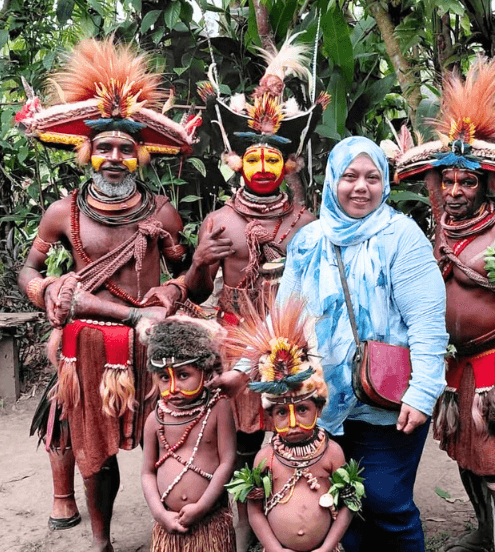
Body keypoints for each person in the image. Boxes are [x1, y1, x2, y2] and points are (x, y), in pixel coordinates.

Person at [16, 37, 198, 551]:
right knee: (94, 454)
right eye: (105, 147)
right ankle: (101, 542)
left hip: (156, 344)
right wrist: (45, 288)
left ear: (140, 155)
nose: (114, 157)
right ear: (88, 152)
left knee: (178, 438)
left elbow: (189, 271)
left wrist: (176, 276)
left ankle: (183, 532)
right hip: (90, 347)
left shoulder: (162, 212)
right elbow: (27, 269)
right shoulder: (63, 211)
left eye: (125, 147)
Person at [392, 57, 495, 552]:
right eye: (449, 182)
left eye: (468, 182)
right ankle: (484, 534)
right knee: (465, 456)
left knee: (494, 462)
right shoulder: (441, 225)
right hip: (451, 363)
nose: (457, 191)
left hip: (490, 363)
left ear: (487, 183)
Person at [271, 136, 448, 552]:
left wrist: (423, 393)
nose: (361, 187)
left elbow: (426, 321)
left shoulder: (401, 236)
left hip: (385, 399)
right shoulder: (308, 240)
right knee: (335, 502)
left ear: (384, 183)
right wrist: (255, 370)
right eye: (350, 176)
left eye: (372, 177)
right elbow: (286, 315)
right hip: (321, 400)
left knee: (387, 501)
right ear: (333, 180)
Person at [186, 36, 327, 550]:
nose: (264, 165)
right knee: (243, 445)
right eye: (254, 157)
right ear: (237, 161)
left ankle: (301, 524)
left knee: (296, 436)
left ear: (287, 164)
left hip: (295, 346)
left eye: (273, 157)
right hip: (234, 347)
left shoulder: (307, 222)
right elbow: (199, 290)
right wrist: (201, 260)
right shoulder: (219, 221)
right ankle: (246, 534)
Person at [222, 297, 361, 552]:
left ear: (318, 409)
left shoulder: (331, 454)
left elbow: (348, 504)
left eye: (302, 409)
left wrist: (328, 547)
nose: (293, 422)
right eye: (282, 413)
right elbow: (255, 512)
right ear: (270, 417)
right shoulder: (265, 459)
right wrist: (274, 549)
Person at [141, 316, 236, 552]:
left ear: (205, 372)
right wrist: (159, 514)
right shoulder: (155, 420)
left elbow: (227, 462)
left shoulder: (218, 409)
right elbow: (147, 473)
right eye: (164, 377)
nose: (173, 388)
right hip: (168, 525)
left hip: (209, 522)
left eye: (183, 375)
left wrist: (202, 507)